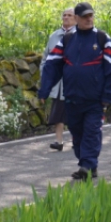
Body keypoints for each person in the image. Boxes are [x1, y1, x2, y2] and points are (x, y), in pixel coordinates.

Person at [38, 2, 111, 180]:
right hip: (72, 99)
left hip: (95, 100)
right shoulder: (66, 41)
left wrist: (107, 95)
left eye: (91, 15)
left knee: (91, 132)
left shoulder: (102, 39)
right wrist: (44, 90)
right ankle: (89, 164)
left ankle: (86, 166)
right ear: (76, 19)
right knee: (77, 134)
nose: (89, 19)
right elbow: (52, 65)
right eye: (84, 16)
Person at [40, 8, 76, 151]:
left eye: (70, 15)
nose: (66, 18)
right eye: (64, 15)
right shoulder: (54, 36)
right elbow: (46, 58)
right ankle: (59, 142)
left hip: (74, 83)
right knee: (58, 112)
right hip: (58, 83)